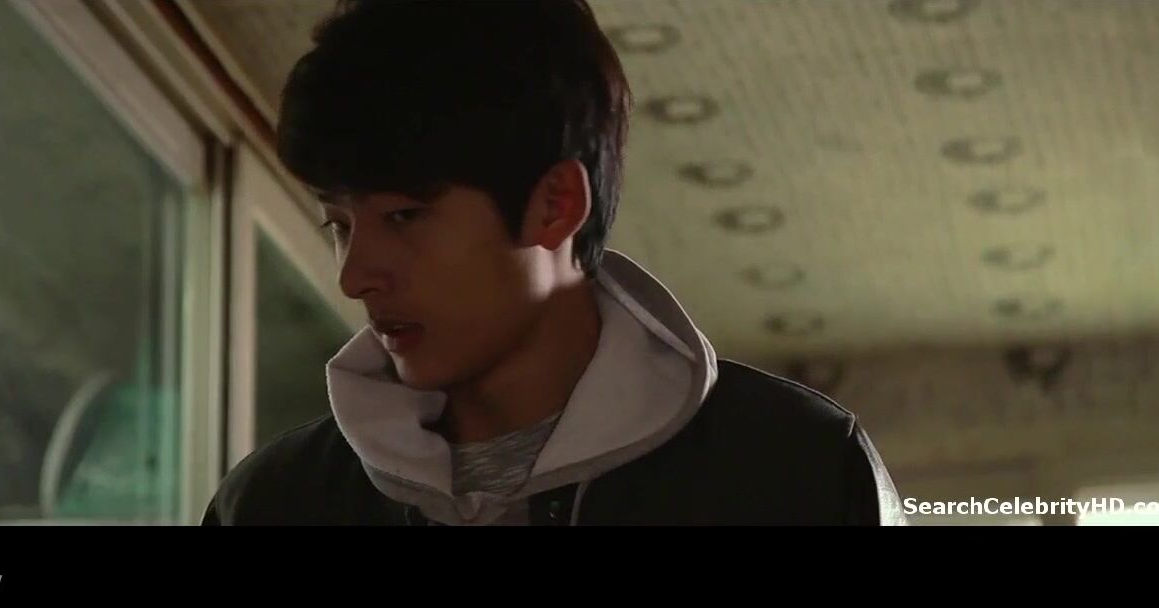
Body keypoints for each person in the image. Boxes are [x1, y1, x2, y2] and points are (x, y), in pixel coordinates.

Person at [202, 0, 906, 526]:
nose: (355, 276)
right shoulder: (273, 504)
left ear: (555, 205)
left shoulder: (793, 472)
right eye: (339, 224)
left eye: (406, 217)